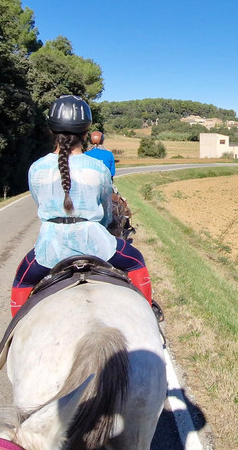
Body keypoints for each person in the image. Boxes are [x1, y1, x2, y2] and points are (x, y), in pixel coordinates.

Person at [9, 95, 153, 316]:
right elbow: (106, 214)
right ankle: (148, 312)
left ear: (51, 131)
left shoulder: (36, 168)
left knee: (21, 280)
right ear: (85, 134)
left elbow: (40, 206)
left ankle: (14, 330)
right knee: (136, 262)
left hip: (51, 249)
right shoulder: (98, 168)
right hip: (96, 243)